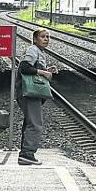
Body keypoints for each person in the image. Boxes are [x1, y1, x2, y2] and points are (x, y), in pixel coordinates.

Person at [18, 28, 58, 166]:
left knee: (30, 122)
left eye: (48, 37)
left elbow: (33, 69)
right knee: (35, 124)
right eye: (43, 36)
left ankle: (25, 154)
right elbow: (24, 67)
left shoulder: (39, 52)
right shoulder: (33, 50)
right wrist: (43, 73)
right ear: (35, 39)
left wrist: (47, 70)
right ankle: (27, 154)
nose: (46, 39)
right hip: (29, 92)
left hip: (31, 92)